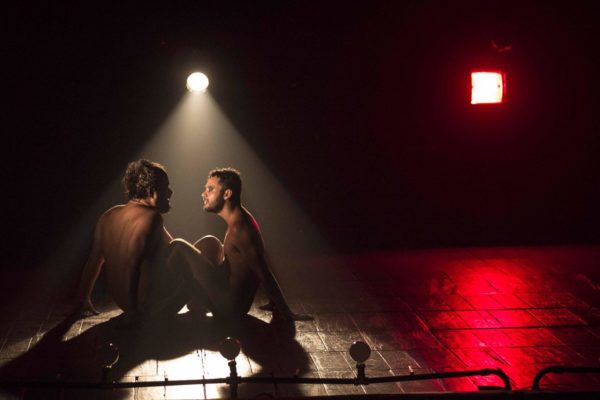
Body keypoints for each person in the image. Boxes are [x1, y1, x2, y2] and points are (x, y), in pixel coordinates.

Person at [73, 160, 309, 323]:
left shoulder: (107, 216)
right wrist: (133, 314)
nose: (171, 193)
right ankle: (200, 301)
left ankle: (200, 299)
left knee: (208, 244)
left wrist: (83, 299)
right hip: (145, 308)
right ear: (152, 191)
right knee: (185, 248)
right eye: (166, 188)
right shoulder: (151, 219)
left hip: (132, 301)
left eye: (209, 189)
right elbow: (134, 264)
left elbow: (94, 261)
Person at [169, 167, 312, 321]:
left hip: (229, 308)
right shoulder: (239, 218)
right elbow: (260, 260)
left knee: (179, 246)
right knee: (210, 243)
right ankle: (192, 301)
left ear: (227, 194)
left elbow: (263, 272)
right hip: (224, 296)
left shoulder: (240, 229)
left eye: (210, 189)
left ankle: (158, 302)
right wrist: (273, 303)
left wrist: (286, 313)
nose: (203, 194)